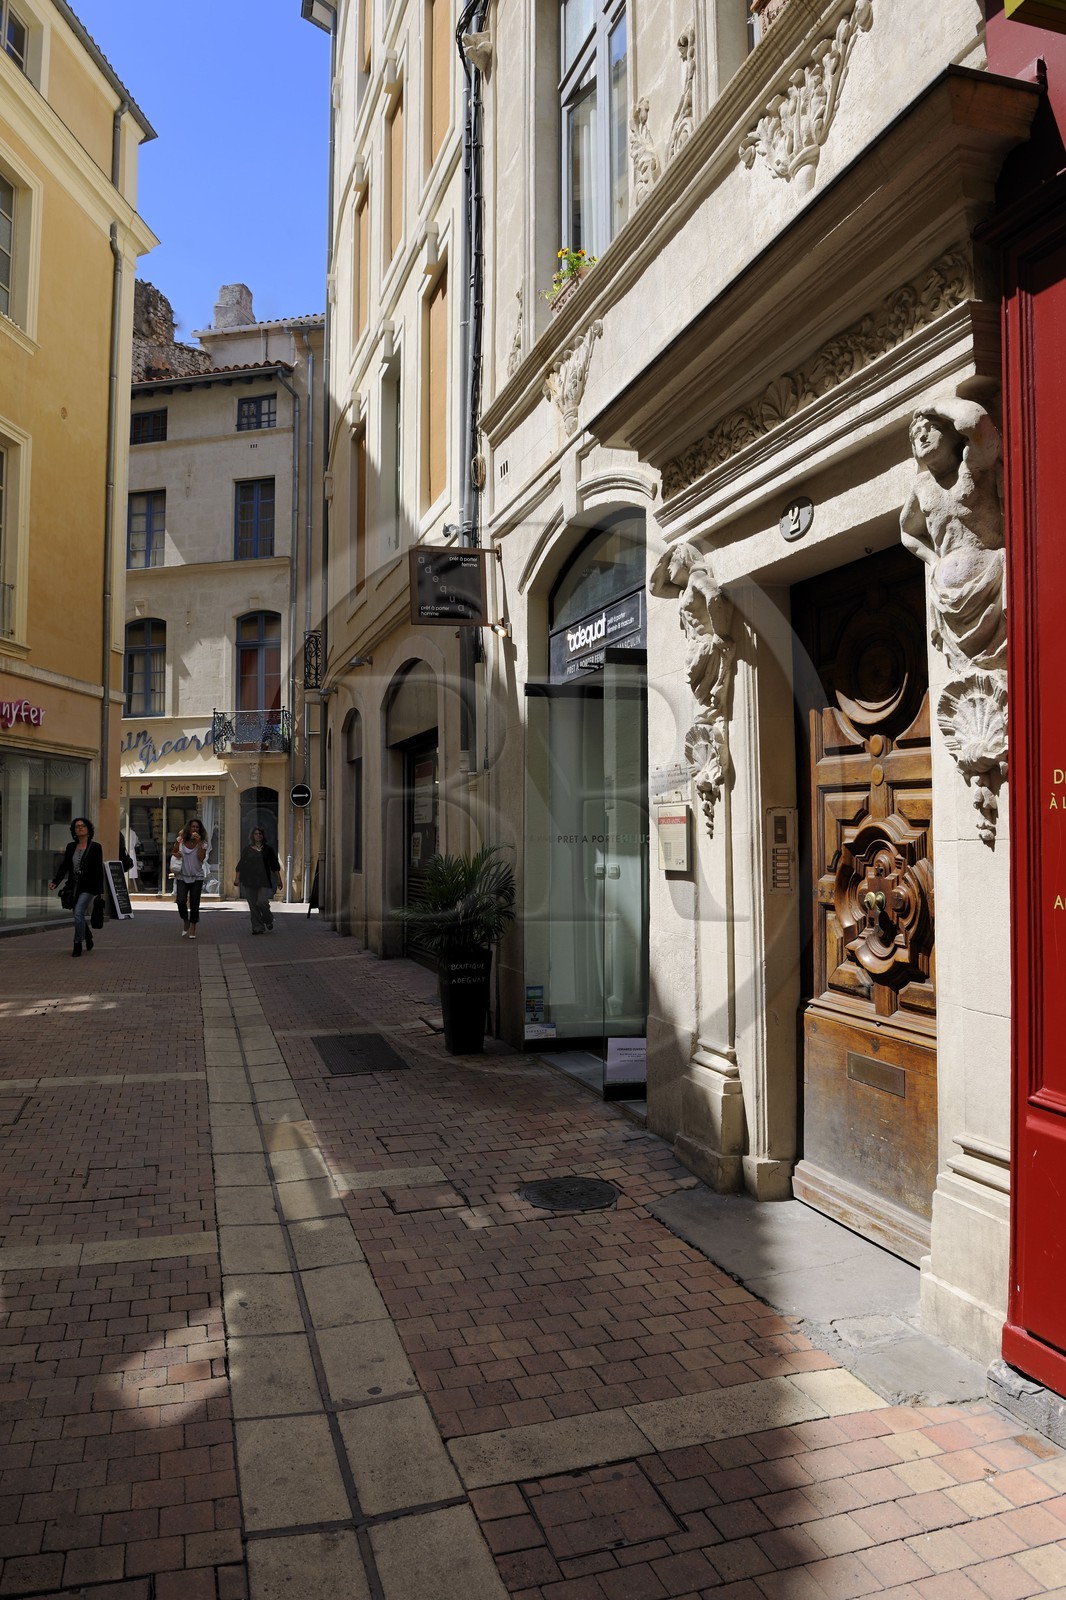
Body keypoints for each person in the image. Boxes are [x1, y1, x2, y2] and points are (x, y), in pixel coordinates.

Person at [899, 398, 1005, 672]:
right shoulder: (922, 486)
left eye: (931, 428)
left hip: (990, 585)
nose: (921, 435)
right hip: (946, 599)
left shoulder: (973, 465)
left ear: (951, 435)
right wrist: (933, 562)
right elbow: (907, 532)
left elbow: (975, 421)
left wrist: (933, 406)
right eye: (915, 434)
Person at [49, 816, 106, 958]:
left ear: (88, 830)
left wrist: (100, 891)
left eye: (82, 826)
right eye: (77, 826)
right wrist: (56, 881)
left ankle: (77, 942)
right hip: (73, 886)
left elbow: (99, 870)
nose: (79, 828)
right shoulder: (70, 847)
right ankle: (88, 936)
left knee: (78, 912)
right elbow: (65, 866)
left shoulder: (95, 847)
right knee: (78, 914)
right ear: (74, 831)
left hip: (88, 886)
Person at [234, 827, 280, 934]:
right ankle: (258, 927)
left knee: (262, 902)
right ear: (252, 836)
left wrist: (279, 880)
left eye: (260, 833)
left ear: (263, 836)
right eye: (256, 834)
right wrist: (237, 879)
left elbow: (274, 866)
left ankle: (268, 918)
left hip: (264, 880)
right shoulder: (247, 849)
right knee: (253, 905)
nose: (258, 835)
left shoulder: (268, 850)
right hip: (249, 880)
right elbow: (240, 865)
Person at [174, 818, 208, 940]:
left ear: (200, 830)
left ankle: (193, 926)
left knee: (194, 903)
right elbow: (173, 853)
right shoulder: (181, 840)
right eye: (193, 827)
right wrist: (176, 854)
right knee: (181, 901)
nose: (195, 829)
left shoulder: (203, 843)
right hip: (182, 875)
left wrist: (199, 843)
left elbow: (201, 858)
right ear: (189, 828)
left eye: (197, 827)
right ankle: (185, 920)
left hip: (197, 876)